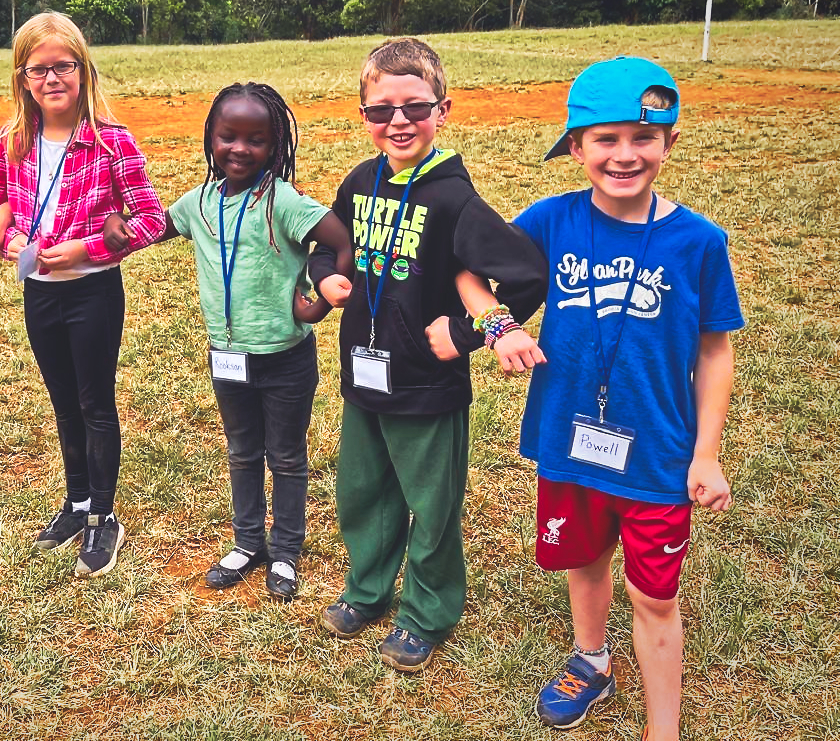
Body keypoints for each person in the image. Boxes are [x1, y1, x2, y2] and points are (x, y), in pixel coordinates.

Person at [454, 57, 742, 741]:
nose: (624, 154)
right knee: (584, 561)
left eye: (644, 138)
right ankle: (592, 661)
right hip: (569, 438)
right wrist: (498, 326)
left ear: (669, 143)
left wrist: (706, 455)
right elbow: (469, 270)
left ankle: (663, 728)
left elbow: (714, 350)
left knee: (654, 595)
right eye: (605, 139)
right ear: (576, 147)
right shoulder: (551, 220)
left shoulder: (700, 242)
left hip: (659, 456)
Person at [307, 37, 547, 672]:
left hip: (426, 385)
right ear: (363, 114)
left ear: (443, 109)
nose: (399, 121)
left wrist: (467, 334)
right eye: (380, 110)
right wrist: (325, 277)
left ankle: (426, 613)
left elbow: (525, 274)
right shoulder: (359, 182)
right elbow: (328, 244)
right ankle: (367, 591)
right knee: (362, 492)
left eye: (415, 107)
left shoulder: (454, 199)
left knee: (431, 507)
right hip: (363, 373)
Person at [117, 82, 353, 601]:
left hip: (285, 358)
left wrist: (317, 304)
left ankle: (285, 550)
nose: (240, 149)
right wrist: (118, 227)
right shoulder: (199, 202)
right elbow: (150, 229)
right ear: (211, 138)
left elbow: (341, 241)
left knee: (286, 456)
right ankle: (248, 542)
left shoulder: (282, 201)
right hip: (226, 357)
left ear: (274, 146)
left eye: (256, 140)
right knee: (242, 451)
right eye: (229, 136)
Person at [0, 11, 165, 578]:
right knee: (62, 401)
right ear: (22, 77)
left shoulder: (110, 141)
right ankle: (77, 502)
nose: (52, 78)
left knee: (94, 403)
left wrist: (88, 250)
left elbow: (151, 219)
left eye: (63, 66)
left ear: (83, 70)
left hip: (92, 292)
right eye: (38, 69)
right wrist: (10, 239)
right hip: (40, 292)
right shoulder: (11, 142)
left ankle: (104, 515)